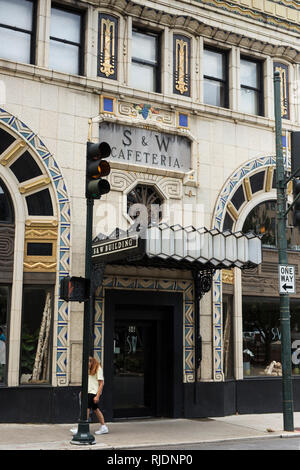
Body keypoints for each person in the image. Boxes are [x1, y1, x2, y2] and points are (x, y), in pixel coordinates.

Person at [70, 356, 108, 435]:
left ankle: (81, 428)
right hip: (88, 392)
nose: (87, 365)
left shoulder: (98, 369)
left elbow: (101, 384)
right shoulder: (89, 370)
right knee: (96, 409)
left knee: (86, 409)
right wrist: (83, 391)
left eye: (88, 363)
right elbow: (88, 382)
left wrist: (97, 396)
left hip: (93, 393)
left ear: (92, 362)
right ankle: (103, 427)